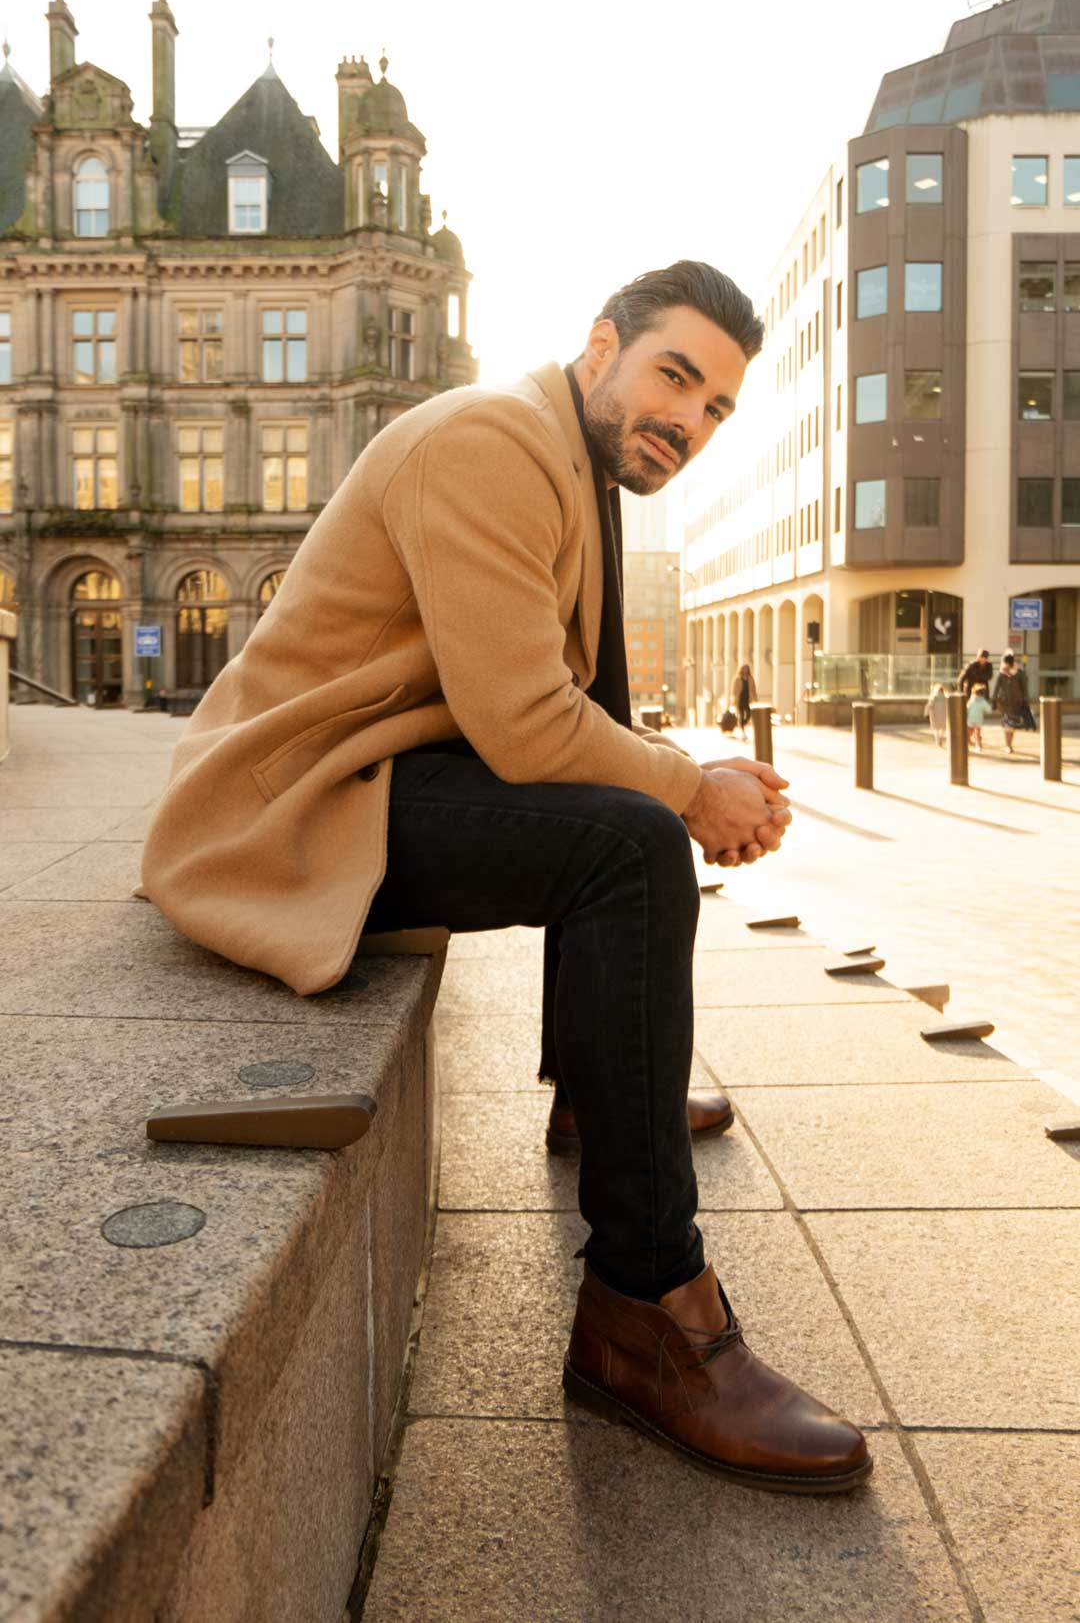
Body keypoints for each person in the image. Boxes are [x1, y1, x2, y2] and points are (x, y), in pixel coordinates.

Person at [140, 260, 870, 1494]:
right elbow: (531, 731)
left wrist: (686, 768)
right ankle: (647, 1307)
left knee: (621, 822)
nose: (687, 422)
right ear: (602, 347)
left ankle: (594, 1092)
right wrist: (691, 795)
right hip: (288, 805)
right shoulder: (491, 442)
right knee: (628, 843)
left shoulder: (576, 463)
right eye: (673, 376)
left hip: (370, 778)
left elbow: (589, 705)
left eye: (716, 409)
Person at [992, 650, 1029, 755]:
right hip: (1004, 703)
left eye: (1006, 663)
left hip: (1017, 703)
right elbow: (996, 688)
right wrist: (994, 701)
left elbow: (1025, 688)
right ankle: (1008, 745)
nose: (1005, 665)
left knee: (1013, 725)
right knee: (1008, 724)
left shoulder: (1019, 673)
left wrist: (1026, 701)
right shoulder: (1001, 674)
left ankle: (1009, 744)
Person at [731, 663, 757, 740]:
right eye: (744, 668)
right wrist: (733, 699)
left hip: (748, 699)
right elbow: (734, 690)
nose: (745, 670)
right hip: (740, 699)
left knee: (749, 714)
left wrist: (755, 699)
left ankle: (742, 725)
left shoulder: (750, 678)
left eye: (746, 669)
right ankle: (742, 730)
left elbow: (753, 690)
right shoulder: (737, 678)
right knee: (741, 715)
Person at [967, 682, 992, 751]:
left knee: (969, 731)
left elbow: (968, 708)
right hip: (978, 718)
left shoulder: (972, 699)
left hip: (970, 718)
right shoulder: (982, 701)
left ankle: (967, 743)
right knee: (977, 732)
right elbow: (989, 709)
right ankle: (978, 745)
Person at [924, 682, 948, 748]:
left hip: (934, 715)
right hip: (944, 714)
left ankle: (937, 740)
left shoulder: (933, 698)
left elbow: (929, 706)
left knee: (935, 729)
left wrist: (926, 713)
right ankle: (941, 737)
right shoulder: (946, 698)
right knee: (943, 728)